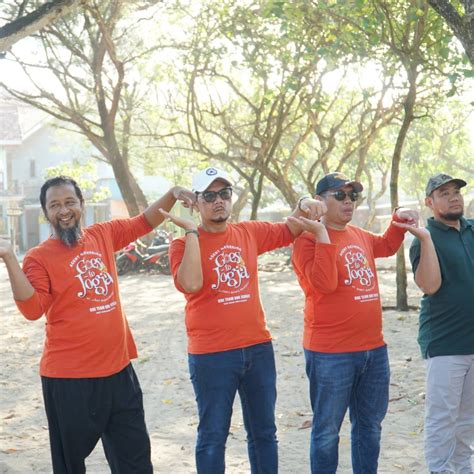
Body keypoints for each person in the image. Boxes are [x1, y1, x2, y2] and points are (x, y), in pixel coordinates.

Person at [0, 175, 194, 473]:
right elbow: (32, 309)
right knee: (70, 466)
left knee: (135, 462)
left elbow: (144, 222)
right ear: (46, 213)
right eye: (54, 205)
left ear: (82, 205)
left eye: (69, 202)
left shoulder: (103, 234)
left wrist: (172, 193)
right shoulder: (38, 258)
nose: (63, 210)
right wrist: (10, 258)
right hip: (69, 381)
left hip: (119, 373)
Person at [160, 166, 325, 474]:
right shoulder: (181, 244)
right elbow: (191, 284)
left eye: (224, 193)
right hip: (212, 355)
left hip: (258, 349)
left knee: (264, 433)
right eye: (209, 196)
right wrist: (193, 233)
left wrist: (303, 200)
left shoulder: (248, 232)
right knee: (213, 436)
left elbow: (292, 227)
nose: (218, 201)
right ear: (195, 202)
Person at [290, 172, 420, 474]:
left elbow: (387, 245)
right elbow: (324, 284)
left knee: (369, 428)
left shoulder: (359, 235)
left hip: (373, 351)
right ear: (319, 201)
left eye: (352, 196)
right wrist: (323, 236)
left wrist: (399, 217)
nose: (348, 202)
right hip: (330, 354)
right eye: (340, 195)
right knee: (326, 433)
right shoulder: (306, 241)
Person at [401, 173, 473, 474]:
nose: (453, 196)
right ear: (429, 202)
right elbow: (429, 285)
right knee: (442, 417)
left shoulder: (471, 230)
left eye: (456, 191)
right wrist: (427, 238)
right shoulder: (423, 238)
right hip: (445, 343)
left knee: (468, 419)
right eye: (443, 193)